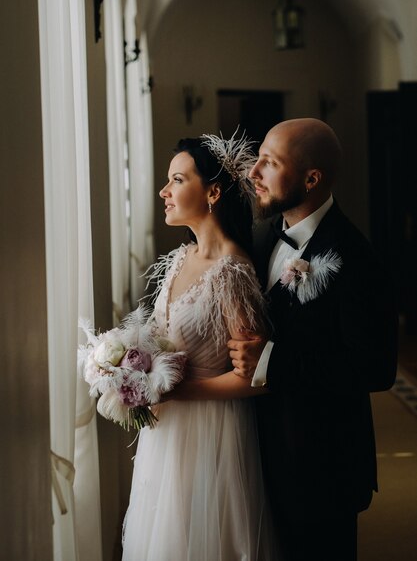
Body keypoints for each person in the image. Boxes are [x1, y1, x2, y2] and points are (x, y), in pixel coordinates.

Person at [228, 118, 399, 561]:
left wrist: (273, 361)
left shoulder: (357, 258)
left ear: (311, 178)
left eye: (269, 163)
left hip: (323, 467)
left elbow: (375, 368)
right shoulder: (262, 237)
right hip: (258, 455)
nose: (253, 173)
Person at [121, 133, 279, 560]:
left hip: (213, 433)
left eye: (176, 179)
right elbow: (157, 341)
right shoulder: (181, 258)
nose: (163, 191)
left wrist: (178, 390)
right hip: (167, 435)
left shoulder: (232, 271)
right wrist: (123, 366)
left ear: (212, 192)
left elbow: (255, 379)